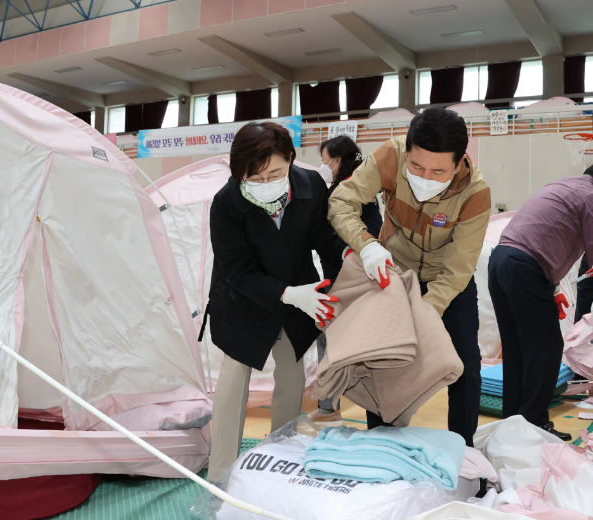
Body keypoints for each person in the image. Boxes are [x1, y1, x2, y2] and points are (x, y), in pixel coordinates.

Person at [328, 107, 491, 447]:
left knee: (465, 365)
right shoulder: (390, 155)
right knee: (383, 358)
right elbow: (342, 202)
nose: (425, 177)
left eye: (438, 171)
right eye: (416, 167)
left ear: (459, 162)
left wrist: (423, 313)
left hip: (447, 280)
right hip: (392, 272)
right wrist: (368, 246)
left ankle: (463, 449)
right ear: (408, 151)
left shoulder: (475, 193)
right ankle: (382, 442)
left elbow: (458, 269)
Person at [205, 122, 350, 481]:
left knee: (291, 371)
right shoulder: (226, 203)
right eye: (254, 177)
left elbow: (322, 235)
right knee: (234, 378)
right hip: (243, 297)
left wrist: (351, 251)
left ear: (290, 159)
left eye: (275, 172)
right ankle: (221, 475)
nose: (266, 182)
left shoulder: (311, 185)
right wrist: (287, 293)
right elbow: (237, 270)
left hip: (296, 294)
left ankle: (278, 460)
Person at [488, 165, 593, 440]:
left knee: (517, 350)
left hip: (500, 261)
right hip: (526, 268)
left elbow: (546, 235)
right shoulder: (591, 195)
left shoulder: (563, 186)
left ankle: (513, 424)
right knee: (547, 347)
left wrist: (553, 287)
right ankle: (534, 424)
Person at [307, 135, 382, 426]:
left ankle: (334, 409)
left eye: (325, 160)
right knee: (334, 343)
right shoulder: (352, 186)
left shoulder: (350, 189)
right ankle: (330, 408)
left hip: (350, 279)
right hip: (343, 277)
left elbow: (367, 232)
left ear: (337, 160)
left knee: (347, 346)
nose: (323, 166)